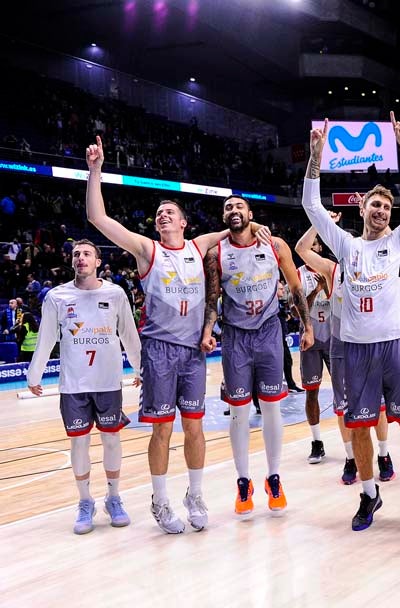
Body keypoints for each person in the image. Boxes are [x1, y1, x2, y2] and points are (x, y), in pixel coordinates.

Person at [85, 136, 269, 533]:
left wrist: (258, 224)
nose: (162, 216)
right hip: (159, 352)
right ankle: (160, 500)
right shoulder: (147, 250)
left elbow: (236, 227)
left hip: (193, 354)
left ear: (183, 222)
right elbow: (99, 219)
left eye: (169, 211)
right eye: (158, 213)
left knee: (195, 427)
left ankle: (195, 495)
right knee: (163, 429)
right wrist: (95, 170)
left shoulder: (199, 246)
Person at [301, 115, 400, 532]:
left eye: (387, 207)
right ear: (361, 208)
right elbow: (311, 206)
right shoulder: (346, 246)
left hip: (394, 343)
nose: (381, 210)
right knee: (358, 425)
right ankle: (369, 492)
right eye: (375, 204)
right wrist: (316, 157)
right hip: (356, 348)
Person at [202, 193, 313, 519]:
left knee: (272, 408)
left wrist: (307, 326)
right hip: (235, 336)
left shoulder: (275, 245)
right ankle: (243, 482)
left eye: (239, 206)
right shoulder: (216, 253)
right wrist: (208, 331)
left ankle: (274, 477)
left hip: (268, 333)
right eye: (228, 207)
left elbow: (295, 288)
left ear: (250, 213)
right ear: (224, 217)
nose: (234, 210)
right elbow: (212, 299)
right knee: (238, 413)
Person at [26, 240, 142, 534]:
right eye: (76, 254)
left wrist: (140, 368)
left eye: (87, 253)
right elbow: (46, 338)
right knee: (79, 443)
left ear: (98, 261)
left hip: (108, 382)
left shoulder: (115, 294)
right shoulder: (57, 296)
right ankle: (85, 501)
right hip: (73, 385)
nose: (81, 258)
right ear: (71, 261)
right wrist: (34, 374)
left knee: (111, 439)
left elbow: (129, 335)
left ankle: (113, 498)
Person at [294, 222, 395, 483]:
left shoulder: (377, 265)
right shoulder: (332, 269)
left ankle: (384, 455)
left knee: (379, 406)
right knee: (343, 407)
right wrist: (319, 223)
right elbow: (301, 249)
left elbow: (395, 241)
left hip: (370, 342)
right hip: (341, 346)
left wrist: (376, 219)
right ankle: (351, 459)